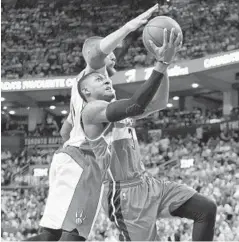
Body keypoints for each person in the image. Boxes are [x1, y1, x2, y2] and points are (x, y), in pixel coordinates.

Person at [25, 4, 158, 241]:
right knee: (74, 234)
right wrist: (129, 27)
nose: (116, 55)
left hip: (68, 157)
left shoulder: (81, 88)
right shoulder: (93, 74)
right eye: (111, 52)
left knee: (51, 235)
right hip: (82, 162)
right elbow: (96, 53)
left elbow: (66, 128)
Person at [79, 29, 217, 241]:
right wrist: (160, 63)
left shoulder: (115, 108)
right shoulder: (91, 112)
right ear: (86, 92)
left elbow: (159, 102)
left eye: (104, 79)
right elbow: (136, 105)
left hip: (148, 184)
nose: (106, 81)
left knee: (206, 210)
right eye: (98, 80)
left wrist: (165, 64)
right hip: (124, 196)